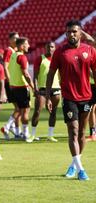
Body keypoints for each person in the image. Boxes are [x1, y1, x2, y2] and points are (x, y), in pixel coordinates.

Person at [46, 20, 96, 181]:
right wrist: (47, 96)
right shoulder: (60, 52)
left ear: (80, 33)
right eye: (68, 32)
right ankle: (81, 170)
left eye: (74, 31)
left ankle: (73, 165)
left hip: (87, 97)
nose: (71, 34)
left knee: (82, 133)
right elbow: (51, 74)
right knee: (73, 131)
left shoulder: (90, 50)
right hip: (69, 98)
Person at [30, 41, 60, 142]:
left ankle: (50, 135)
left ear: (55, 48)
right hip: (42, 89)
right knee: (37, 111)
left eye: (52, 47)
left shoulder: (58, 59)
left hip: (55, 88)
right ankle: (32, 135)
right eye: (48, 47)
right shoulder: (40, 59)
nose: (50, 49)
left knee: (53, 112)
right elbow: (35, 75)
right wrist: (35, 88)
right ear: (45, 48)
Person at [8, 37, 35, 142]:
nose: (29, 46)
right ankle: (26, 134)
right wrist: (33, 87)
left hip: (14, 87)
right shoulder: (22, 57)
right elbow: (26, 73)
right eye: (27, 44)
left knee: (19, 110)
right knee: (25, 111)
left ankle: (18, 132)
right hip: (23, 87)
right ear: (22, 46)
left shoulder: (13, 55)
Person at [1, 32, 21, 139]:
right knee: (20, 108)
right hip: (11, 83)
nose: (16, 40)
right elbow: (5, 66)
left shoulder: (15, 51)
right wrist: (10, 81)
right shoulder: (9, 50)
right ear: (9, 40)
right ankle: (7, 126)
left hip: (14, 82)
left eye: (18, 38)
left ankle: (15, 130)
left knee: (18, 108)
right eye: (14, 38)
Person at [81, 31, 96, 141]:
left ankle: (93, 134)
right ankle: (93, 133)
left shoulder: (92, 51)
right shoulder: (92, 51)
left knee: (91, 109)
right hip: (92, 84)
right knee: (92, 109)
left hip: (93, 84)